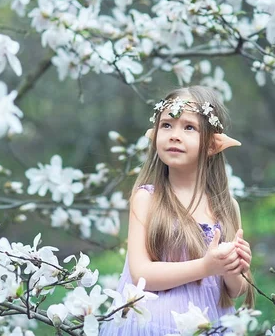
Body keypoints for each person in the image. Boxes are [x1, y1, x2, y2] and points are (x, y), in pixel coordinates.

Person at [100, 86, 255, 335]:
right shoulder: (147, 199)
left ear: (213, 145)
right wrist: (205, 267)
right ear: (155, 135)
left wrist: (233, 266)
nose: (174, 135)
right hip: (152, 325)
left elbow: (236, 290)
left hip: (208, 324)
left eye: (189, 127)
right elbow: (142, 274)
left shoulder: (227, 207)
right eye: (167, 125)